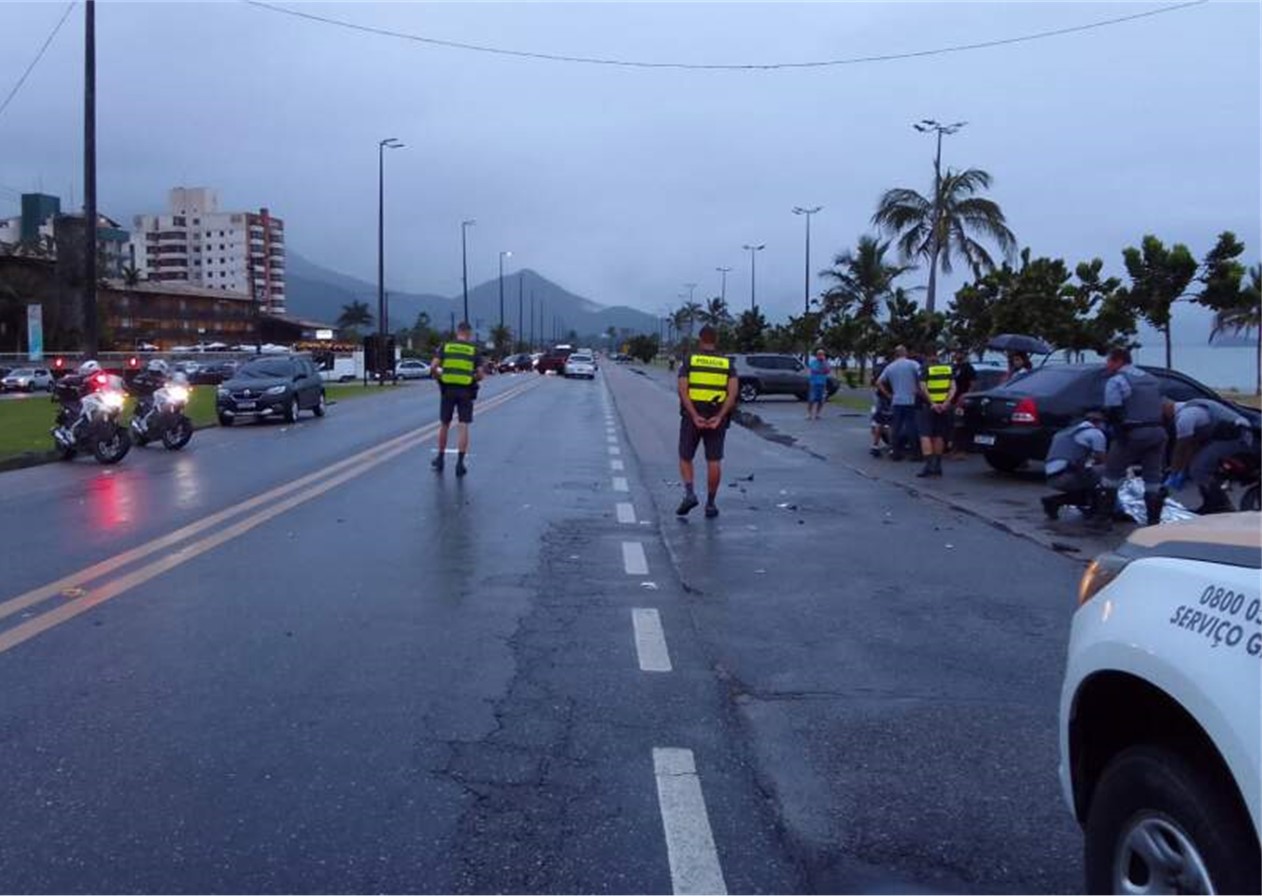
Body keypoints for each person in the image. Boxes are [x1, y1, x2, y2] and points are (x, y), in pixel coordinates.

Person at [676, 325, 738, 518]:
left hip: (692, 417)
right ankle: (710, 504)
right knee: (714, 460)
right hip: (716, 418)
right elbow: (733, 393)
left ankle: (689, 493)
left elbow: (682, 390)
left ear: (700, 339)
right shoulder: (727, 364)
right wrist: (719, 417)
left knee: (686, 457)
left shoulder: (690, 361)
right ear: (716, 340)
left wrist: (694, 415)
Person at [1100, 347, 1168, 526]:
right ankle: (1153, 521)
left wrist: (1117, 434)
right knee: (1153, 477)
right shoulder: (1151, 379)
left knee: (1112, 474)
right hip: (1157, 432)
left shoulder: (1117, 381)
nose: (1107, 365)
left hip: (1133, 432)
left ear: (1119, 361)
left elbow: (1113, 410)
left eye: (1109, 361)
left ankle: (1103, 517)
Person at [1164, 398, 1254, 514]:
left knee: (1199, 469)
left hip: (1236, 437)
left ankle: (1221, 505)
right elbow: (1192, 445)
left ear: (1166, 408)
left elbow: (1181, 448)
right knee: (1198, 465)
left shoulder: (1185, 417)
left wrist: (1174, 472)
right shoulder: (1190, 408)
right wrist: (1184, 468)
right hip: (1233, 434)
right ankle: (1211, 502)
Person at [430, 322, 485, 477]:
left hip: (448, 390)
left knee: (445, 424)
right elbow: (481, 374)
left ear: (457, 332)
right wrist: (471, 378)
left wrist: (439, 377)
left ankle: (440, 459)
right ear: (469, 333)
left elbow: (433, 367)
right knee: (463, 425)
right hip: (466, 391)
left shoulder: (445, 347)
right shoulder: (474, 350)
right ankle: (460, 464)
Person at [1041, 410, 1109, 522]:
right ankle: (1099, 511)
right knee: (1107, 473)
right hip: (1066, 476)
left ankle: (1054, 501)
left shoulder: (1066, 431)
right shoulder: (1095, 434)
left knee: (1089, 482)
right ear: (1100, 422)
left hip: (1052, 476)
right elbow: (1101, 460)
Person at [915, 347, 955, 477]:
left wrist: (932, 403)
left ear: (927, 356)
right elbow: (953, 387)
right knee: (939, 435)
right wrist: (946, 403)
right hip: (944, 407)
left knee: (925, 435)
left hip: (928, 407)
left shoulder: (925, 368)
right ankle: (937, 465)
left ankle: (928, 465)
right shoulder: (948, 368)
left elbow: (922, 387)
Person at [876, 345, 921, 461]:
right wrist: (918, 389)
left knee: (896, 427)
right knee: (912, 427)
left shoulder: (890, 367)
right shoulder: (913, 364)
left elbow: (879, 382)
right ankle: (915, 453)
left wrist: (888, 395)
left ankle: (895, 452)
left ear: (895, 354)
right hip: (911, 400)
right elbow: (922, 376)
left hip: (896, 400)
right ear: (905, 353)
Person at [948, 349, 976, 456]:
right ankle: (953, 449)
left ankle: (961, 450)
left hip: (962, 400)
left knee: (960, 425)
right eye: (956, 353)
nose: (957, 355)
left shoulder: (968, 368)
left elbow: (973, 383)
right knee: (952, 425)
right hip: (952, 399)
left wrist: (966, 396)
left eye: (959, 353)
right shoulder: (954, 368)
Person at [806, 348, 831, 421]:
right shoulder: (813, 362)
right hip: (814, 383)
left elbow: (827, 370)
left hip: (822, 383)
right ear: (816, 355)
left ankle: (817, 414)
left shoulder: (826, 363)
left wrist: (823, 362)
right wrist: (821, 370)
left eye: (822, 354)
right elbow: (815, 370)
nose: (820, 356)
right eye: (819, 354)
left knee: (821, 400)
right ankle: (809, 414)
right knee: (811, 399)